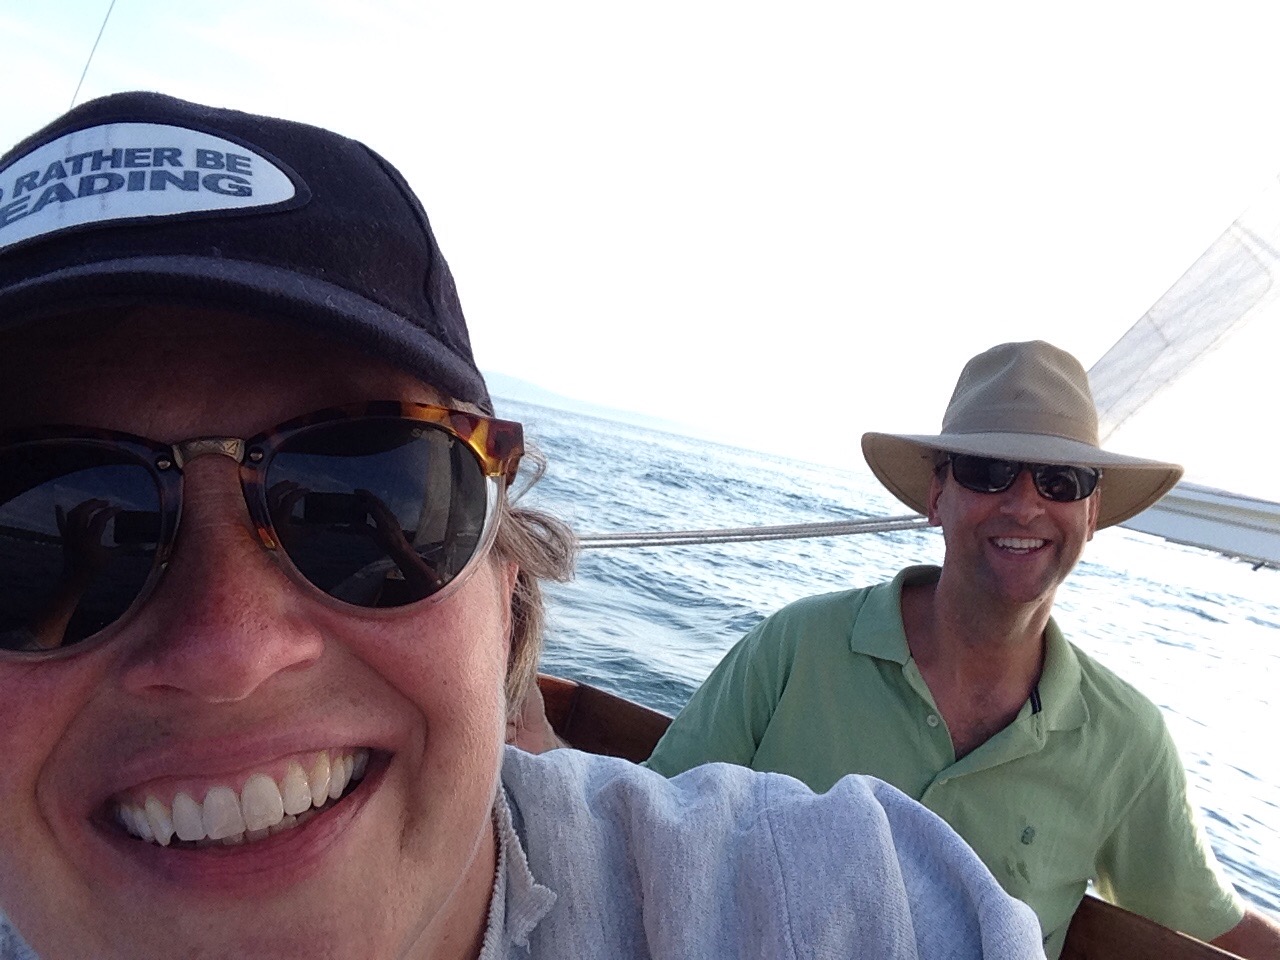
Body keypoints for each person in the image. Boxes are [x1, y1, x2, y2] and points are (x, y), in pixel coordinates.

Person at [0, 92, 1045, 960]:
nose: (229, 652)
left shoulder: (842, 908)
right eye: (23, 517)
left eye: (385, 492)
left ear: (504, 600)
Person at [643, 340, 1280, 958]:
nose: (1024, 505)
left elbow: (1213, 928)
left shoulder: (1127, 742)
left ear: (1091, 514)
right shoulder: (796, 645)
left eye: (1061, 481)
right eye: (988, 471)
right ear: (936, 495)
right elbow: (650, 818)